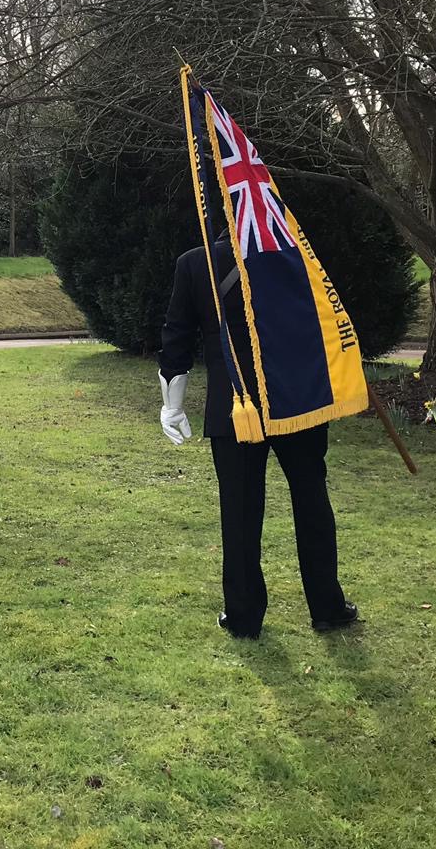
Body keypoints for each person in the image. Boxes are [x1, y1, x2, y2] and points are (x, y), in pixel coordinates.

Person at [157, 238, 359, 639]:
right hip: (294, 398)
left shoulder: (197, 263)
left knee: (243, 510)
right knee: (311, 500)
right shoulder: (295, 253)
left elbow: (176, 335)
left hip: (239, 404)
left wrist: (172, 403)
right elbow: (327, 324)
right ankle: (327, 607)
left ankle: (245, 616)